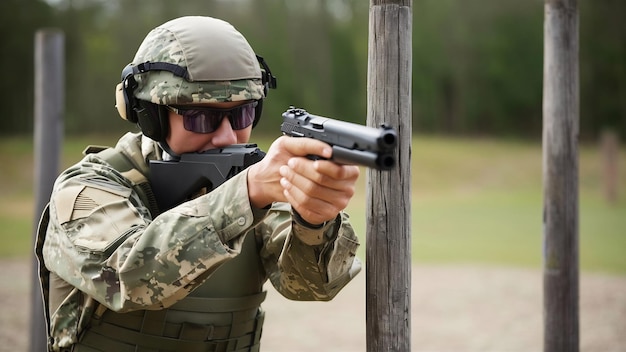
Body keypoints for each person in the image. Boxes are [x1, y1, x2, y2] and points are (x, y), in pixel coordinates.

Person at [35, 16, 362, 352]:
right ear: (151, 116)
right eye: (201, 117)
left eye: (241, 115)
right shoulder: (89, 187)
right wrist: (246, 194)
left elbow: (310, 287)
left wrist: (312, 221)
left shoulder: (252, 182)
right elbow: (128, 278)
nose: (226, 135)